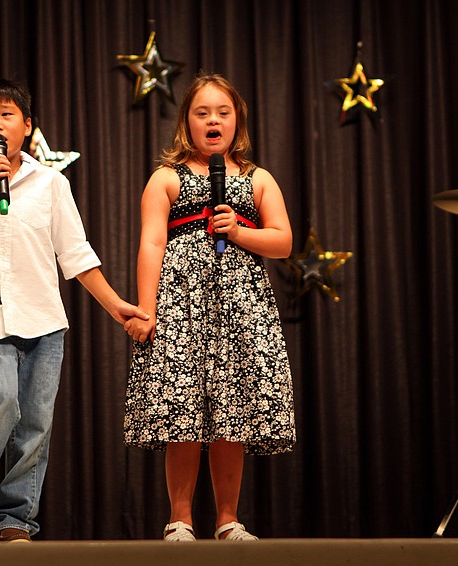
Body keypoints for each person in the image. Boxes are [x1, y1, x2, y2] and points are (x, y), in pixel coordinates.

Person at [0, 76, 148, 543]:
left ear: (26, 126)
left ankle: (13, 520)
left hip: (45, 321)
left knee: (34, 425)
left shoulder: (51, 182)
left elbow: (75, 254)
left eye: (6, 115)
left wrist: (116, 307)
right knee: (0, 399)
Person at [124, 73, 296, 542]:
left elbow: (282, 241)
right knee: (182, 411)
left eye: (222, 112)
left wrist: (238, 231)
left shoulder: (257, 177)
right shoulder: (166, 177)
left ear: (237, 120)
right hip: (180, 304)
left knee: (231, 409)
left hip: (241, 306)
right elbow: (151, 243)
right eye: (202, 113)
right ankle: (179, 518)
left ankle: (227, 520)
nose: (213, 120)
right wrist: (145, 307)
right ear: (187, 122)